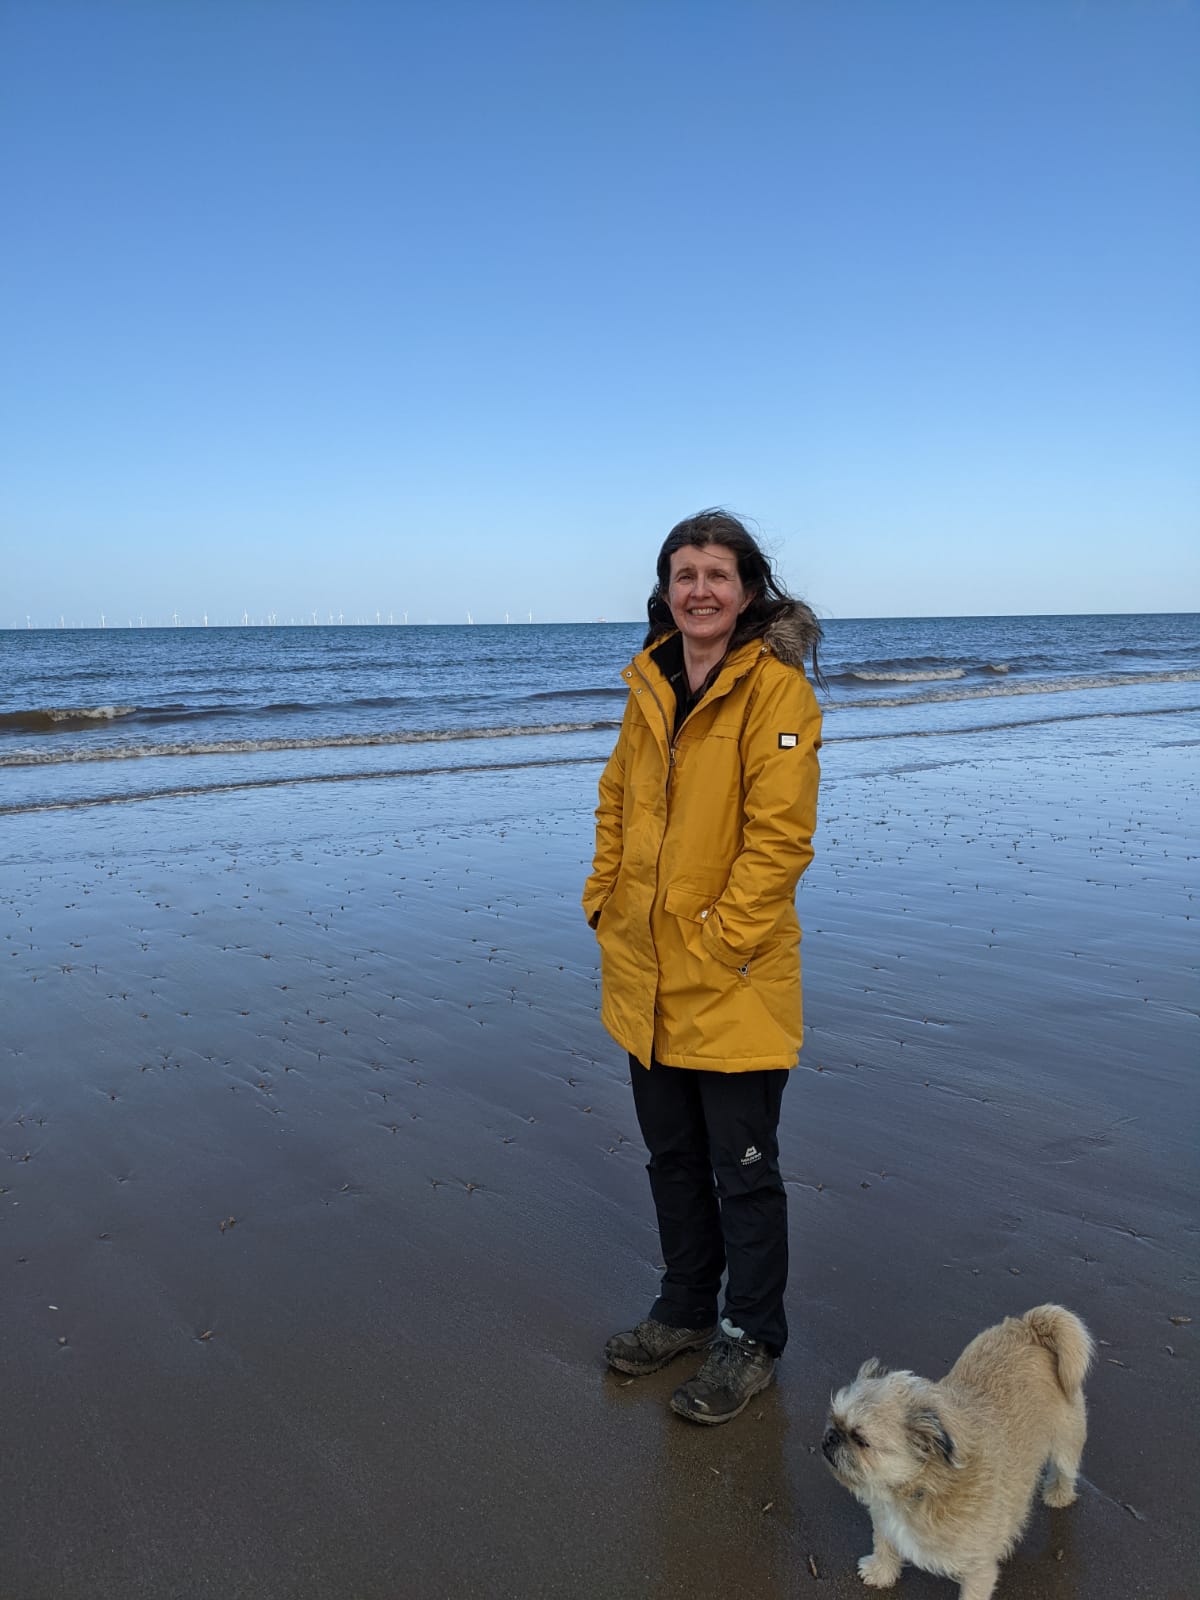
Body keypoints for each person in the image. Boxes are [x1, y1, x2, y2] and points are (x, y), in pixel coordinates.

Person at [582, 509, 822, 1425]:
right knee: (671, 1156)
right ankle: (685, 1307)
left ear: (749, 589)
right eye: (684, 574)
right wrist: (603, 898)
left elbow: (780, 841)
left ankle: (750, 1336)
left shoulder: (780, 697)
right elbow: (614, 798)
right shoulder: (649, 685)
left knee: (744, 1167)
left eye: (716, 573)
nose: (699, 589)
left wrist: (722, 942)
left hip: (734, 978)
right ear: (666, 590)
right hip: (642, 970)